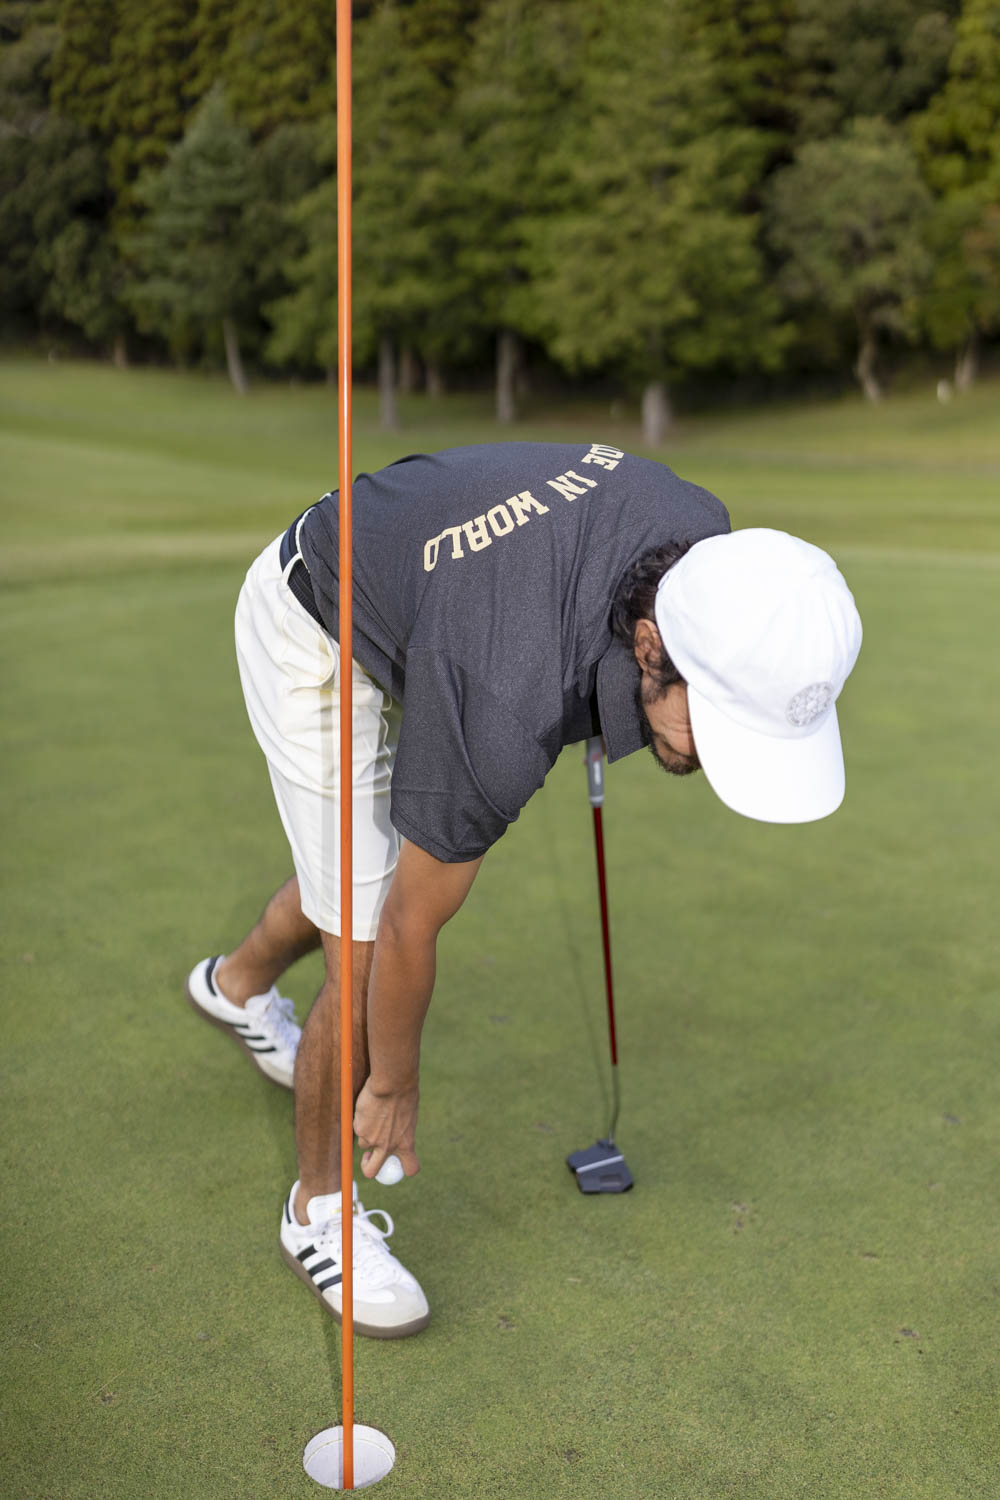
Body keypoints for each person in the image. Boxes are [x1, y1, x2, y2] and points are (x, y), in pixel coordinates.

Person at [185, 440, 862, 1339]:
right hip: (315, 615)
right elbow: (407, 931)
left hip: (434, 581)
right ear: (652, 646)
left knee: (353, 871)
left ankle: (234, 987)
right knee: (363, 932)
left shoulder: (710, 549)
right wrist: (393, 1083)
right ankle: (317, 1210)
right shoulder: (505, 698)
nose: (704, 763)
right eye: (717, 728)